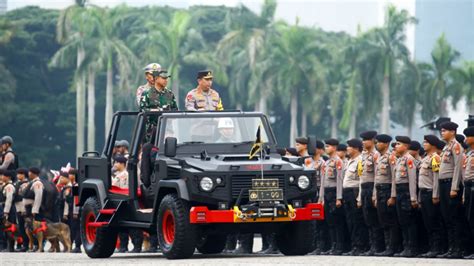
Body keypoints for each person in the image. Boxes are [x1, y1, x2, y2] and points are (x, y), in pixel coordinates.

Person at [437, 122, 465, 258]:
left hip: (450, 185)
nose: (442, 133)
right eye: (441, 131)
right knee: (446, 217)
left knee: (454, 217)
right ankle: (451, 248)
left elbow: (458, 168)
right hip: (443, 184)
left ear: (453, 132)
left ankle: (457, 249)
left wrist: (454, 188)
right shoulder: (446, 148)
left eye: (444, 131)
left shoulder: (456, 146)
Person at [373, 134, 401, 256]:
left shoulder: (391, 157)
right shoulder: (379, 158)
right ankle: (387, 246)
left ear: (386, 144)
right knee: (382, 220)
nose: (377, 144)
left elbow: (395, 177)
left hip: (387, 190)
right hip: (379, 190)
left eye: (379, 142)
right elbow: (376, 178)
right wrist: (374, 195)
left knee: (391, 221)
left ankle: (393, 247)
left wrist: (393, 195)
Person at [357, 131, 384, 256]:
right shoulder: (363, 157)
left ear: (373, 141)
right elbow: (361, 177)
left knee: (374, 219)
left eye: (366, 140)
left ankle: (377, 247)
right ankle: (371, 246)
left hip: (372, 188)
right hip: (364, 188)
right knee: (367, 219)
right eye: (362, 140)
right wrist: (359, 196)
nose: (363, 142)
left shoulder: (376, 156)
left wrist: (374, 194)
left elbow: (377, 177)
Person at [418, 135, 444, 258]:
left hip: (430, 194)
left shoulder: (435, 158)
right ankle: (431, 247)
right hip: (423, 193)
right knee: (427, 222)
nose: (424, 144)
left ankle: (437, 248)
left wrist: (435, 194)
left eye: (426, 142)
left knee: (434, 222)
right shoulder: (425, 159)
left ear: (433, 145)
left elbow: (436, 178)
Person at [342, 138, 368, 256]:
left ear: (356, 148)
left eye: (349, 146)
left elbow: (362, 179)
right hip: (346, 192)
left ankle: (360, 246)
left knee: (357, 221)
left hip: (355, 192)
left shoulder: (360, 161)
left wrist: (359, 198)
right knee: (350, 221)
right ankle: (354, 245)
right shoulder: (349, 161)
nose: (347, 149)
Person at [393, 136, 418, 257]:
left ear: (406, 146)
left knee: (409, 221)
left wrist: (413, 197)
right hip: (399, 191)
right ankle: (406, 246)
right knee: (402, 221)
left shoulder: (409, 159)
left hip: (407, 192)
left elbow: (413, 180)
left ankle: (412, 248)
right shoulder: (399, 160)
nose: (396, 146)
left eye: (398, 144)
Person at [319, 138, 344, 255]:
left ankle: (339, 247)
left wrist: (339, 197)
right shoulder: (326, 162)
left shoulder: (338, 162)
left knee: (337, 222)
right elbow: (322, 182)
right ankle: (333, 245)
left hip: (334, 193)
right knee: (330, 222)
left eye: (328, 146)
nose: (326, 148)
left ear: (334, 148)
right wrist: (321, 198)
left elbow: (340, 180)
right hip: (327, 193)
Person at [309, 140, 330, 255]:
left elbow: (322, 181)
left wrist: (320, 197)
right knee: (313, 221)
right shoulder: (309, 162)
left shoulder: (322, 163)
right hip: (310, 192)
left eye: (315, 147)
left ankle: (322, 246)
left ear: (320, 150)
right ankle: (315, 245)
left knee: (321, 221)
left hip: (319, 191)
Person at [462, 126, 474, 259]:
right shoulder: (470, 154)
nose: (465, 139)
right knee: (470, 219)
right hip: (469, 188)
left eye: (468, 136)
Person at [13, 168, 29, 252]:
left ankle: (27, 245)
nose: (17, 175)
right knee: (21, 227)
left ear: (24, 175)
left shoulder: (26, 184)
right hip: (17, 207)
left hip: (23, 207)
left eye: (19, 174)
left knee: (26, 227)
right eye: (17, 173)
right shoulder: (17, 183)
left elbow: (23, 196)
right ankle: (23, 244)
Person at [0, 170, 16, 252]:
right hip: (4, 207)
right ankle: (5, 246)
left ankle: (9, 247)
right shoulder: (5, 185)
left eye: (3, 176)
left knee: (9, 228)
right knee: (3, 228)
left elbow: (9, 199)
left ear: (8, 177)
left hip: (8, 209)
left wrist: (6, 212)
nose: (1, 177)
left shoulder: (9, 186)